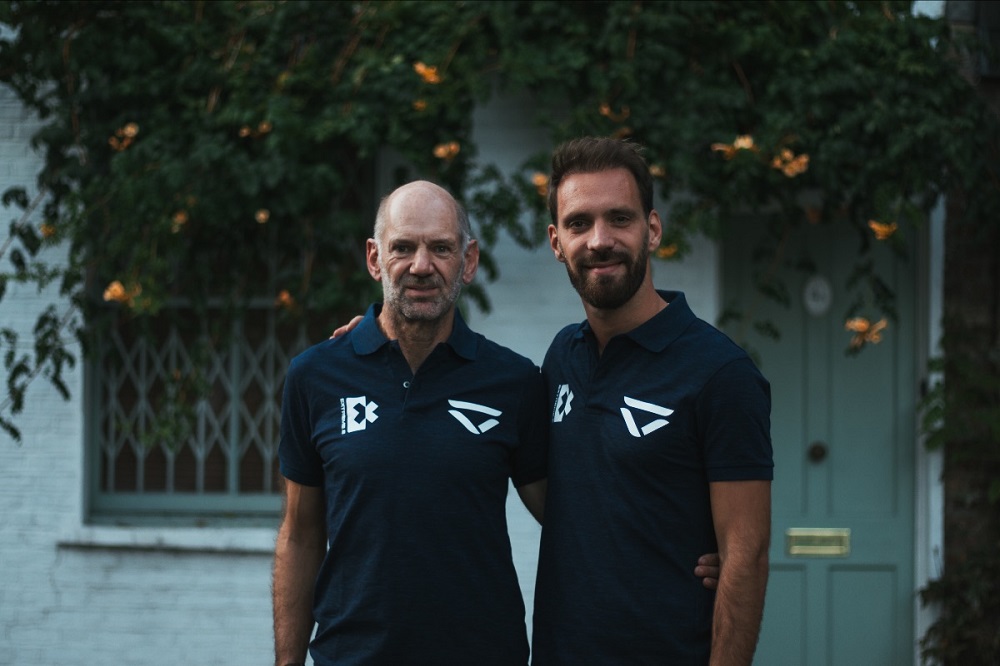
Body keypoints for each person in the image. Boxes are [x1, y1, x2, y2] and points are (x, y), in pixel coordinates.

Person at [272, 180, 549, 666]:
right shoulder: (315, 376)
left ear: (468, 261)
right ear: (375, 258)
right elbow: (300, 535)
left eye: (441, 248)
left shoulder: (514, 382)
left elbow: (569, 518)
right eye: (403, 248)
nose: (421, 266)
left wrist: (686, 540)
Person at [531, 137, 773, 665]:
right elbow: (568, 496)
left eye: (619, 218)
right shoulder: (562, 357)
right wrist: (374, 339)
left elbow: (747, 555)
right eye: (579, 223)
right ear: (556, 242)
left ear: (653, 229)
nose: (599, 240)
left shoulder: (720, 373)